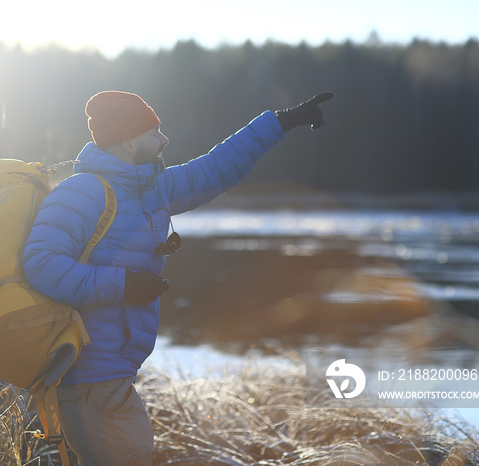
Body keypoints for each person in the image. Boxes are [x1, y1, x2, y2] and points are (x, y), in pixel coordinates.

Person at [23, 90, 333, 465]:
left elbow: (217, 167)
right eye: (155, 133)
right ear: (128, 141)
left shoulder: (151, 188)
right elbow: (40, 263)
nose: (165, 140)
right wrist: (124, 284)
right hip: (87, 375)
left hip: (113, 376)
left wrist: (282, 122)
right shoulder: (82, 192)